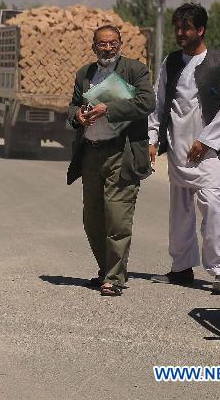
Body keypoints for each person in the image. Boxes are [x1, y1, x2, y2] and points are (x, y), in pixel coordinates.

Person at [148, 3, 220, 293]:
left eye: (185, 28)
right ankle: (181, 268)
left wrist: (207, 140)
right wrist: (152, 139)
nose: (179, 33)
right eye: (177, 27)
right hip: (179, 151)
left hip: (210, 154)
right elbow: (159, 104)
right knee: (179, 213)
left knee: (213, 208)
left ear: (200, 30)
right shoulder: (171, 62)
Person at [67, 25, 155, 297]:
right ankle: (105, 269)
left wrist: (110, 109)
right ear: (93, 46)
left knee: (117, 218)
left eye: (112, 43)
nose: (108, 48)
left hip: (121, 153)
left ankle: (114, 277)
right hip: (91, 153)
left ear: (120, 44)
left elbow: (147, 102)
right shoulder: (85, 74)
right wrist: (77, 116)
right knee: (92, 218)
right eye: (102, 44)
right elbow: (72, 106)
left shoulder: (135, 70)